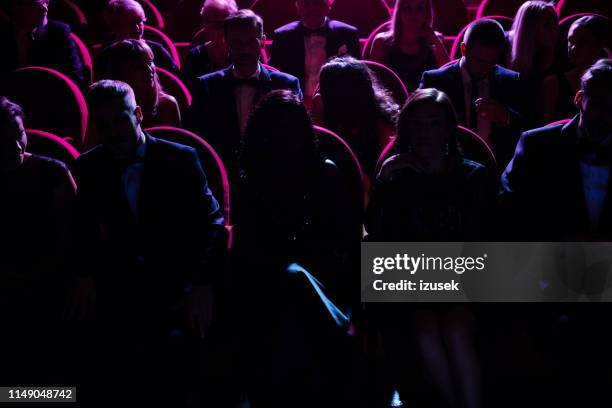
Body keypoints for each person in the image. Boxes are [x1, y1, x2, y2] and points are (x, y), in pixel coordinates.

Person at [65, 80, 227, 405]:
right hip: (122, 289)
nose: (113, 134)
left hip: (177, 286)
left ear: (138, 114)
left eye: (121, 121)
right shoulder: (89, 166)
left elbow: (213, 225)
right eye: (104, 126)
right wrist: (83, 274)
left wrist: (203, 284)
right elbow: (81, 229)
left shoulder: (180, 159)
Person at [231, 89, 360, 407]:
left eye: (289, 130)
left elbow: (344, 242)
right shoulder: (251, 182)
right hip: (270, 287)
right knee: (286, 292)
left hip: (324, 285)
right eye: (275, 132)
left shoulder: (324, 173)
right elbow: (249, 248)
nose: (282, 141)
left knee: (294, 284)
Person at [365, 90, 492, 408]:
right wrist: (383, 180)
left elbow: (486, 243)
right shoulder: (396, 177)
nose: (425, 133)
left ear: (448, 129)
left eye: (434, 124)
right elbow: (377, 237)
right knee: (424, 330)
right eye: (417, 125)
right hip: (415, 286)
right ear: (406, 130)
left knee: (455, 328)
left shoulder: (473, 176)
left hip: (465, 282)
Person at [0, 96, 76, 384]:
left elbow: (73, 238)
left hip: (51, 283)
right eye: (2, 141)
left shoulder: (53, 173)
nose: (17, 146)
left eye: (19, 134)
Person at [502, 59, 612, 240]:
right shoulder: (536, 146)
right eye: (598, 104)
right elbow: (510, 208)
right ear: (579, 99)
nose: (606, 115)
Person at [188, 9, 302, 181]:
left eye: (251, 42)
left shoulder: (286, 85)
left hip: (274, 179)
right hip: (220, 178)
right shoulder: (206, 87)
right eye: (237, 43)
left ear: (263, 42)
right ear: (226, 43)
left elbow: (295, 141)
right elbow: (197, 141)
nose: (245, 50)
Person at [420, 18, 525, 169]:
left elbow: (528, 128)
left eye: (491, 62)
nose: (484, 68)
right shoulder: (436, 81)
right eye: (478, 60)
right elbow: (419, 126)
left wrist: (505, 117)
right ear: (463, 49)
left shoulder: (511, 80)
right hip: (446, 168)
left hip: (496, 168)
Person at [312, 56, 398, 178]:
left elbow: (383, 172)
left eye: (322, 89)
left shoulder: (381, 119)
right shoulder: (324, 113)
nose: (318, 93)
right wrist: (317, 118)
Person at [269, 0, 361, 104]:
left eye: (317, 3)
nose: (312, 9)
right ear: (298, 7)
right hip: (294, 104)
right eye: (306, 4)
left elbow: (358, 77)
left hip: (337, 103)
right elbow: (274, 76)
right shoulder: (283, 36)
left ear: (328, 6)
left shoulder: (347, 34)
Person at [96, 39, 181, 130]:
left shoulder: (167, 106)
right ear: (122, 73)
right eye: (139, 67)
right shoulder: (105, 109)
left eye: (149, 62)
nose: (149, 70)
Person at [0, 0, 86, 89]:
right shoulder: (3, 34)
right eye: (35, 4)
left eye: (45, 2)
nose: (45, 9)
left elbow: (76, 78)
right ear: (15, 7)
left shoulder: (59, 33)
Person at [541, 15, 611, 124]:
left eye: (582, 42)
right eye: (570, 41)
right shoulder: (554, 83)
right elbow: (545, 129)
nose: (573, 48)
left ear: (599, 44)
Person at [370, 0, 449, 91]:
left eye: (419, 8)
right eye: (408, 8)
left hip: (426, 103)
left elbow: (449, 78)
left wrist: (436, 42)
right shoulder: (381, 43)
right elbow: (374, 86)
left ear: (427, 13)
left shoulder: (436, 41)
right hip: (392, 103)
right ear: (400, 12)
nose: (413, 14)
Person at [507, 1, 559, 123]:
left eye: (555, 23)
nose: (555, 29)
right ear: (530, 29)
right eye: (547, 25)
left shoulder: (558, 54)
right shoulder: (502, 49)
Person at [102, 0, 179, 74]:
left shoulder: (157, 50)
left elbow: (177, 82)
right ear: (115, 26)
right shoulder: (107, 56)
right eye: (130, 23)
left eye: (139, 22)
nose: (137, 27)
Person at [182, 0, 237, 91]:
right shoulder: (195, 57)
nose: (221, 30)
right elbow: (186, 92)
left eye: (226, 24)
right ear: (205, 24)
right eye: (216, 25)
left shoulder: (243, 52)